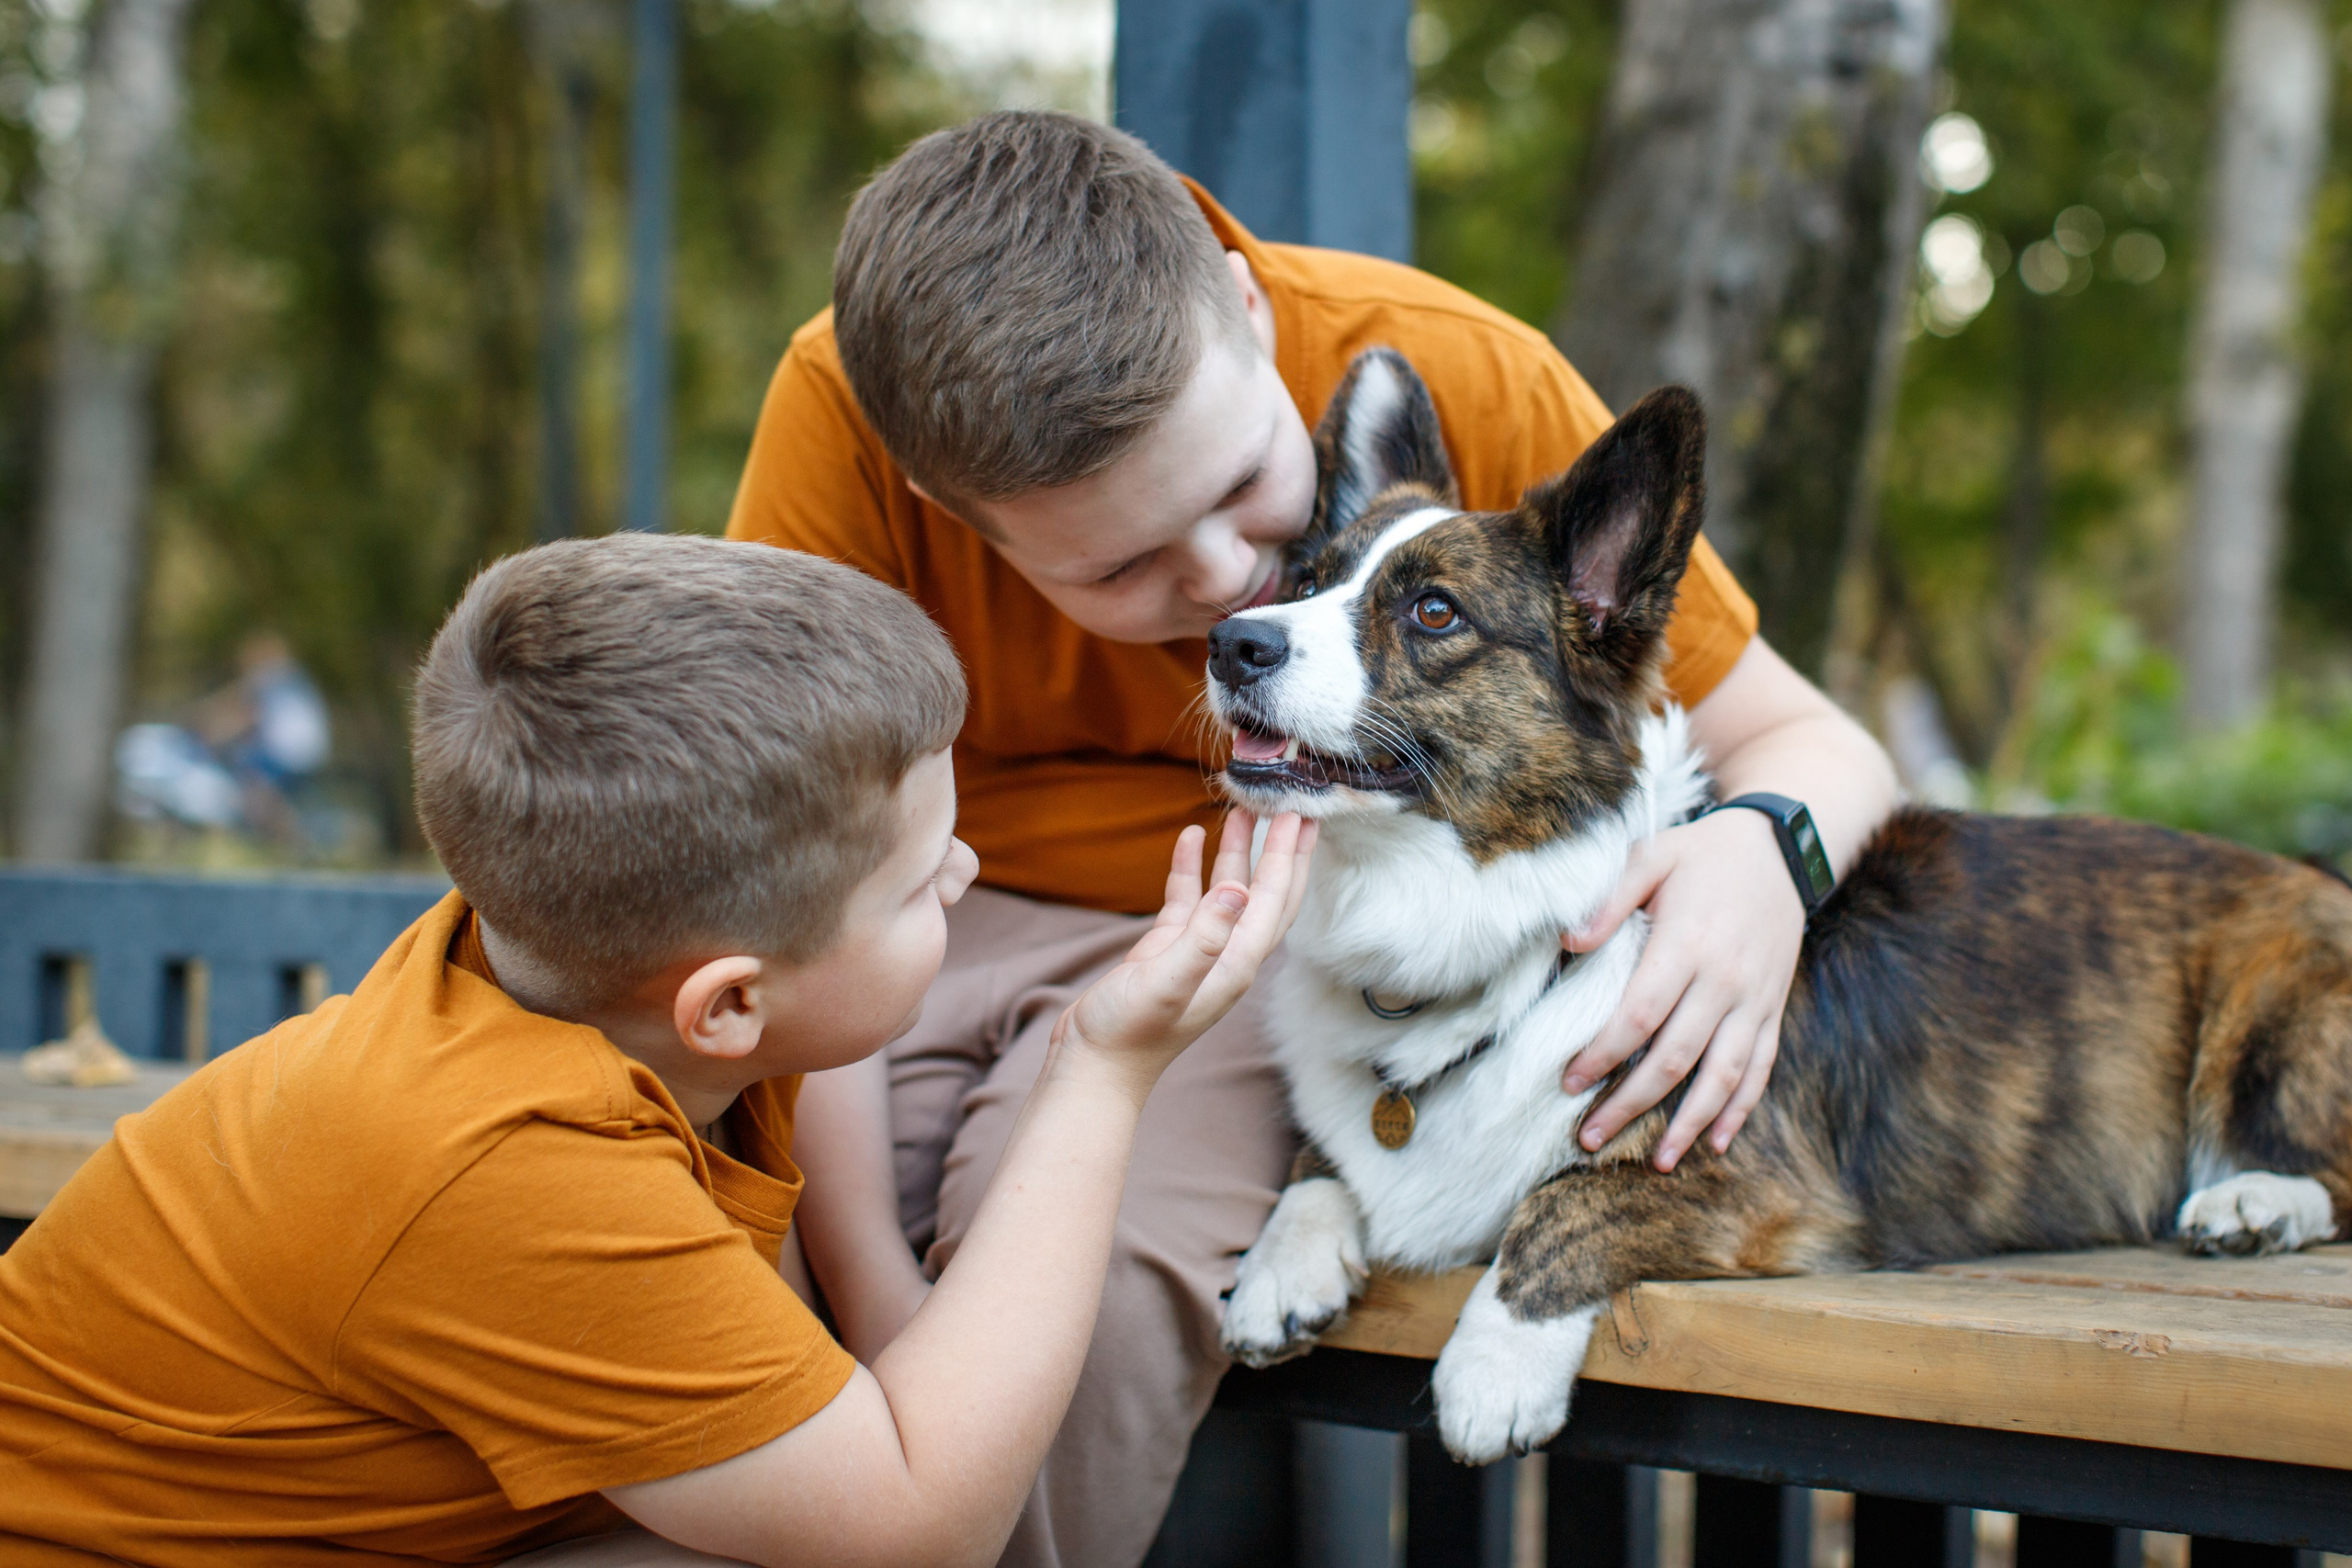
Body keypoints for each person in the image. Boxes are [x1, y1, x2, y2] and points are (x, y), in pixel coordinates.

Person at [727, 109, 1901, 1567]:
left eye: (1242, 490)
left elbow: (1816, 741)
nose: (1230, 583)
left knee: (1089, 1292)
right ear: (946, 506)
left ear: (1240, 302)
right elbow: (787, 884)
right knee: (747, 1251)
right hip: (897, 913)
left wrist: (1763, 850)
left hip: (1253, 932)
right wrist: (875, 1304)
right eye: (1121, 565)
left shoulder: (1468, 367)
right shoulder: (851, 407)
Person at [0, 533, 1317, 1568]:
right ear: (728, 1006)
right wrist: (1101, 1070)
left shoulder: (585, 970)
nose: (966, 873)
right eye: (923, 884)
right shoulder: (514, 1171)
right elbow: (924, 1535)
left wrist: (881, 1302)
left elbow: (821, 1055)